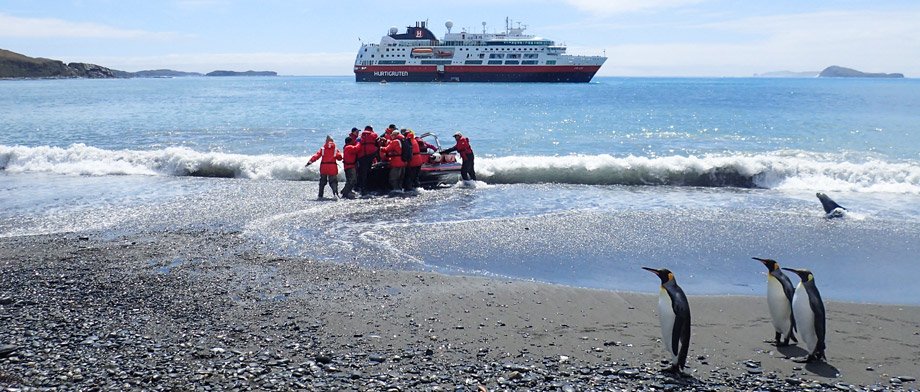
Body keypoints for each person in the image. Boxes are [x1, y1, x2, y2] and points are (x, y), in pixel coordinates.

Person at [356, 125, 379, 195]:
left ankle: (362, 188)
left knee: (362, 172)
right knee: (368, 170)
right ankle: (367, 187)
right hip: (370, 155)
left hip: (362, 157)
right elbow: (377, 141)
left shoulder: (360, 136)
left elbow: (357, 142)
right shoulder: (374, 135)